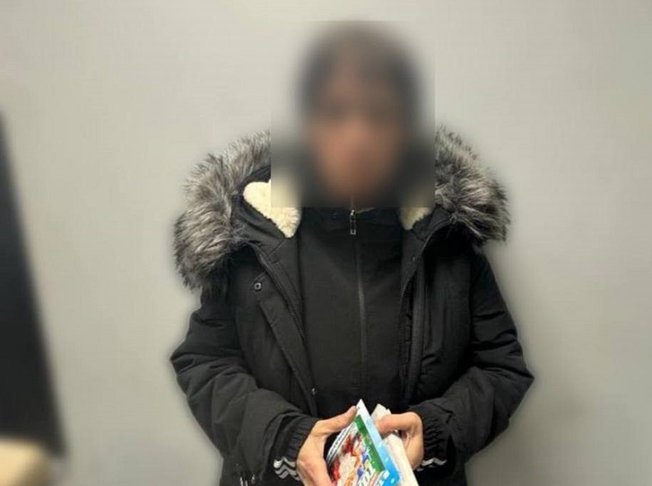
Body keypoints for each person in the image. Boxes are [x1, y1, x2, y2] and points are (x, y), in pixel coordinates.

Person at [171, 25, 533, 486]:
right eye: (335, 112)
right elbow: (204, 363)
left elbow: (501, 367)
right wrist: (285, 437)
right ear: (307, 124)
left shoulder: (447, 234)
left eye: (380, 115)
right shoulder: (249, 233)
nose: (358, 137)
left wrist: (436, 429)